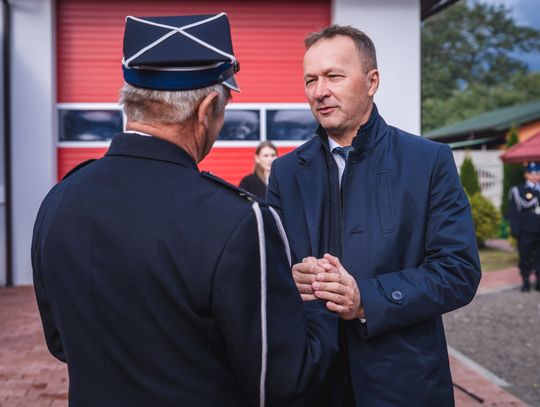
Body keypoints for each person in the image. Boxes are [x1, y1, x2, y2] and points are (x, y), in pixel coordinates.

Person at [32, 13, 338, 407]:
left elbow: (60, 341)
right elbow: (282, 380)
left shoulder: (59, 199)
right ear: (207, 109)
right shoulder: (237, 221)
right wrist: (321, 306)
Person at [267, 25, 481, 406]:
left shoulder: (427, 161)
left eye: (334, 76)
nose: (320, 91)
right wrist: (288, 277)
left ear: (372, 81)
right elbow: (266, 272)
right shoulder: (285, 173)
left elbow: (458, 271)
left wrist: (365, 298)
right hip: (315, 384)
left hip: (405, 384)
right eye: (311, 80)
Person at [508, 161, 540, 292]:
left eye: (537, 173)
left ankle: (539, 281)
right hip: (526, 230)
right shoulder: (518, 190)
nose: (535, 176)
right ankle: (526, 280)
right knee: (525, 257)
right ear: (526, 174)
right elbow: (513, 212)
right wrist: (515, 230)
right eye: (531, 173)